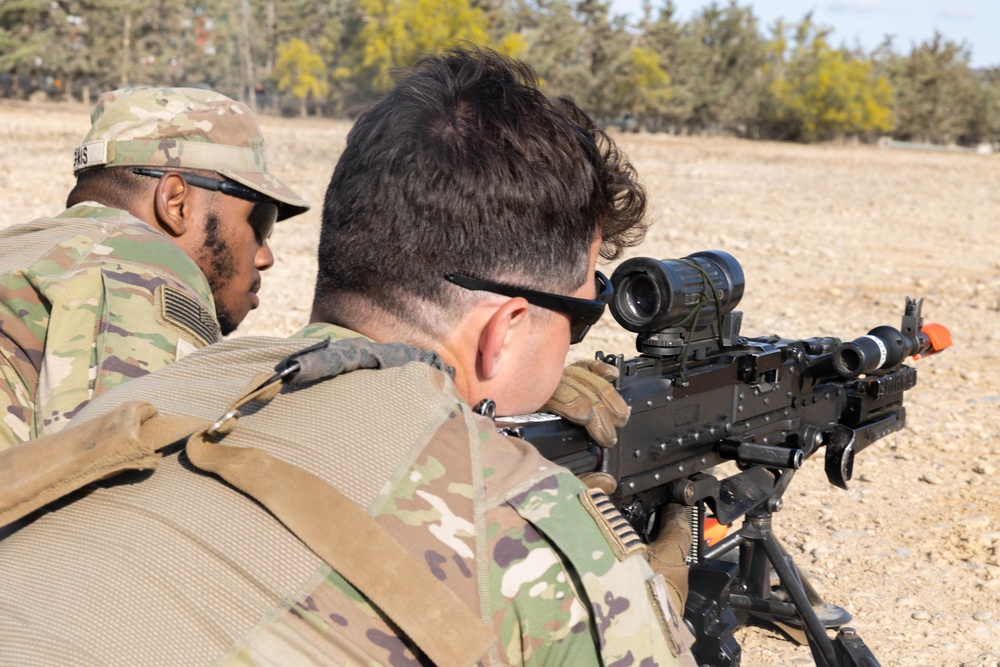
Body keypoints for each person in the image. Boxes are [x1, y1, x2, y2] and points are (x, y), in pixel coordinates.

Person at [0, 48, 695, 665]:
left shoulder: (174, 389)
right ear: (503, 330)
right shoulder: (539, 531)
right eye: (580, 311)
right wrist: (632, 587)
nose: (266, 251)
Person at [0, 86, 309, 449]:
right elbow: (103, 483)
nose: (265, 257)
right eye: (261, 221)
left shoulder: (19, 249)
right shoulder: (135, 271)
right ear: (176, 202)